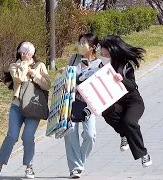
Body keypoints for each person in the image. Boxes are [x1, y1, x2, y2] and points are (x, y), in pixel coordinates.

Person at [0, 41, 51, 179]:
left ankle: (29, 167)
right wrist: (25, 63)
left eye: (29, 49)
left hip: (33, 105)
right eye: (23, 49)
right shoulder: (14, 66)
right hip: (17, 106)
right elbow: (20, 79)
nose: (26, 51)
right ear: (19, 51)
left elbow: (47, 84)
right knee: (12, 136)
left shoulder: (40, 66)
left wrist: (35, 74)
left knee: (28, 136)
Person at [100, 35, 152, 167]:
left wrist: (122, 79)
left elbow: (132, 86)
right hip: (117, 102)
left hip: (133, 101)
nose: (103, 57)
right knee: (106, 110)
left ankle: (143, 154)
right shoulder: (100, 66)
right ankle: (123, 134)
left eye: (106, 54)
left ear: (114, 53)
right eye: (102, 54)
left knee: (129, 122)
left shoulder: (125, 65)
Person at [61, 32, 102, 178]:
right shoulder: (73, 59)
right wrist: (65, 73)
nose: (81, 45)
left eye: (84, 42)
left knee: (90, 135)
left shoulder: (100, 63)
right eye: (80, 42)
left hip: (89, 104)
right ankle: (75, 169)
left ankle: (79, 163)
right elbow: (68, 78)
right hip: (71, 102)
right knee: (71, 134)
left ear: (93, 47)